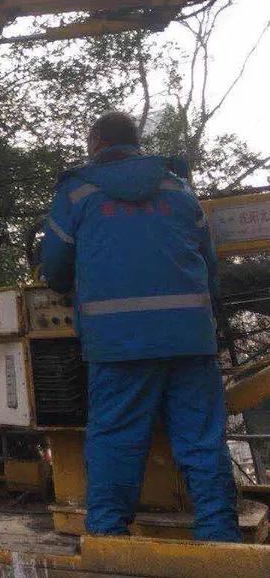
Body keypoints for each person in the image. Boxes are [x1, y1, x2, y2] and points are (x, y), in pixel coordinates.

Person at [41, 111, 240, 542]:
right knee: (202, 441)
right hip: (190, 340)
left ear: (96, 142)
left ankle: (109, 542)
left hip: (118, 344)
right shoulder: (179, 188)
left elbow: (55, 266)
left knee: (116, 439)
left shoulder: (78, 191)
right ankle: (222, 542)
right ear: (135, 142)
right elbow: (209, 265)